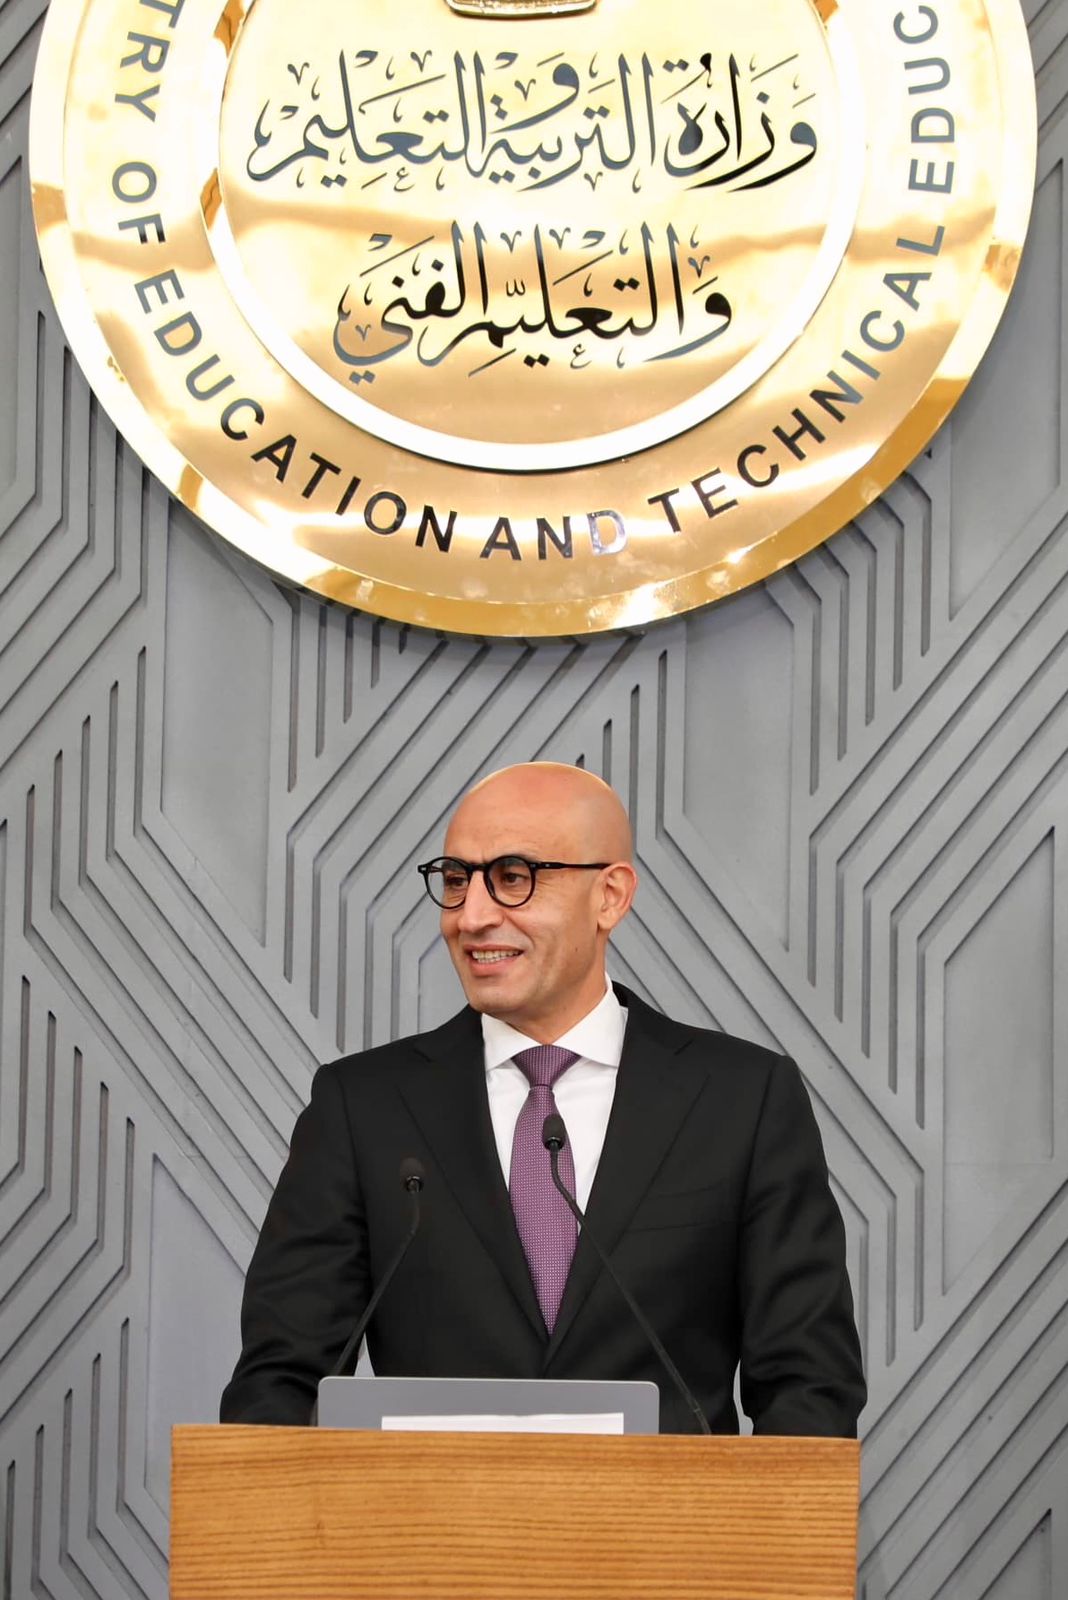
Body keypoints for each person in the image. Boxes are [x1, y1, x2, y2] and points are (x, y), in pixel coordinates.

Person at [220, 763, 865, 1434]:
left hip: (668, 1506)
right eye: (456, 881)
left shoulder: (742, 1100)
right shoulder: (362, 1108)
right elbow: (280, 1383)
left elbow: (810, 1388)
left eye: (512, 878)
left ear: (610, 896)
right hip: (427, 1504)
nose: (471, 917)